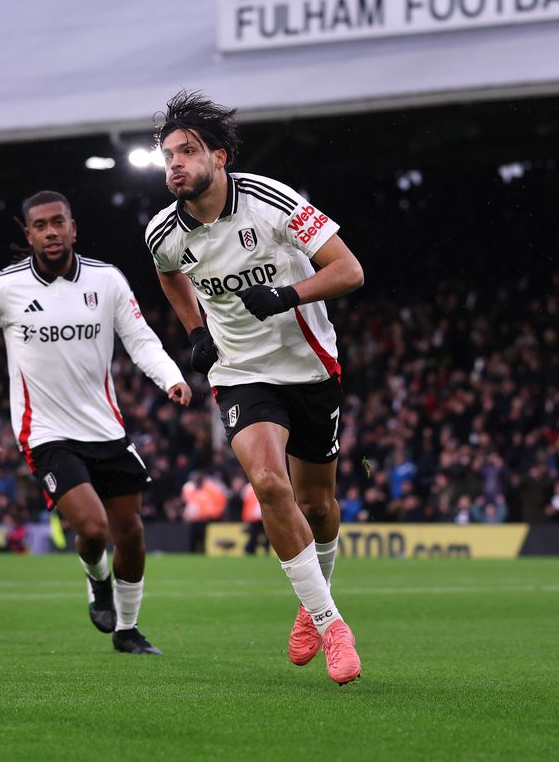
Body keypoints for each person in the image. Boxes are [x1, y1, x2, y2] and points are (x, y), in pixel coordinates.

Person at [145, 90, 365, 684]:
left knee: (317, 503)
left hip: (311, 366)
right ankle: (330, 621)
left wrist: (289, 294)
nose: (175, 164)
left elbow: (349, 270)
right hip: (241, 372)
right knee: (269, 484)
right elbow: (169, 277)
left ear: (218, 156)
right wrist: (195, 331)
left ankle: (310, 600)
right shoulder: (163, 232)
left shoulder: (271, 202)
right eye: (167, 155)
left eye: (187, 151)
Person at [0, 190, 191, 655]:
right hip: (44, 433)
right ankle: (96, 578)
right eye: (40, 225)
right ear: (28, 235)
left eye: (58, 222)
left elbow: (140, 339)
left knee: (131, 533)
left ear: (73, 227)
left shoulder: (107, 281)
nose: (51, 232)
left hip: (107, 429)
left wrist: (170, 376)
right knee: (93, 529)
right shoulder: (4, 288)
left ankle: (127, 630)